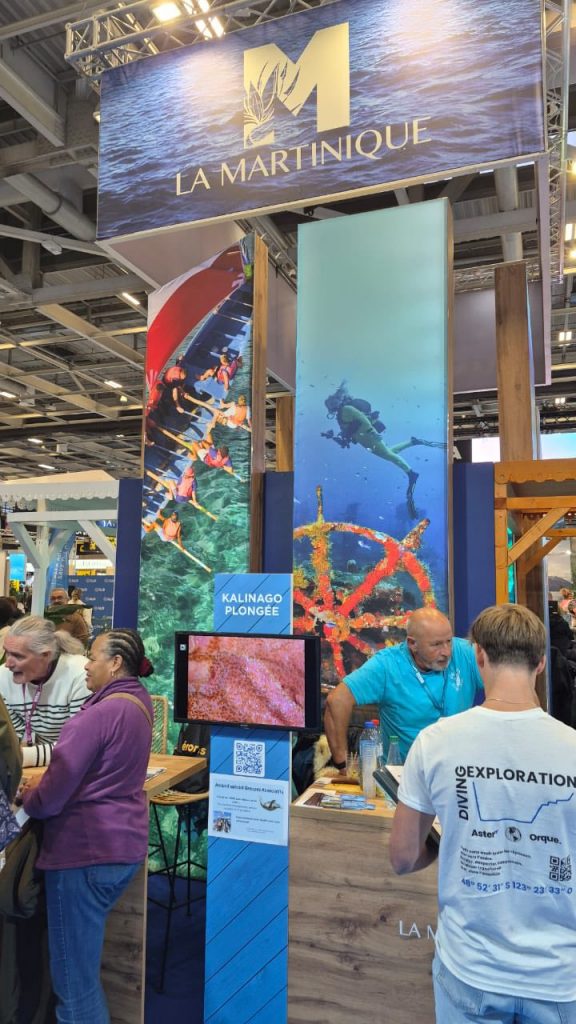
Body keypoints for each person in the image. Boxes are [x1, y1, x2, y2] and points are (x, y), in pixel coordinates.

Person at [390, 603, 576, 1023]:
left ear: (478, 656)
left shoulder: (435, 742)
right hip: (559, 976)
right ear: (541, 662)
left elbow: (402, 858)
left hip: (471, 968)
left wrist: (447, 843)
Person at [19, 628, 154, 1024]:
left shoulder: (94, 718)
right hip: (123, 847)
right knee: (82, 971)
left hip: (83, 854)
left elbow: (50, 799)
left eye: (93, 658)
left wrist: (30, 793)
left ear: (116, 663)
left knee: (74, 985)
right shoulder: (139, 702)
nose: (86, 667)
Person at [324, 607, 483, 768]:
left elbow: (499, 681)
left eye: (449, 641)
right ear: (412, 644)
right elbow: (337, 700)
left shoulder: (466, 653)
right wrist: (342, 764)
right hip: (403, 772)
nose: (447, 652)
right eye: (436, 645)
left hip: (457, 769)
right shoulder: (387, 665)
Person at [322, 381, 445, 516]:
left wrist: (372, 431)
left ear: (338, 400)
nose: (331, 406)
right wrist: (333, 437)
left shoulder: (346, 409)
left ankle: (411, 473)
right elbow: (348, 434)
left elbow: (362, 419)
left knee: (387, 454)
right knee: (389, 452)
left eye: (331, 403)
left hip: (369, 437)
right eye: (329, 405)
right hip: (365, 439)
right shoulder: (341, 415)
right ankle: (412, 442)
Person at [0, 616, 90, 767]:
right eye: (7, 653)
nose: (8, 663)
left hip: (76, 764)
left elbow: (80, 745)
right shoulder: (3, 676)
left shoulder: (81, 675)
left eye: (18, 656)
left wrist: (19, 757)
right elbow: (13, 738)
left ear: (45, 655)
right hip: (41, 761)